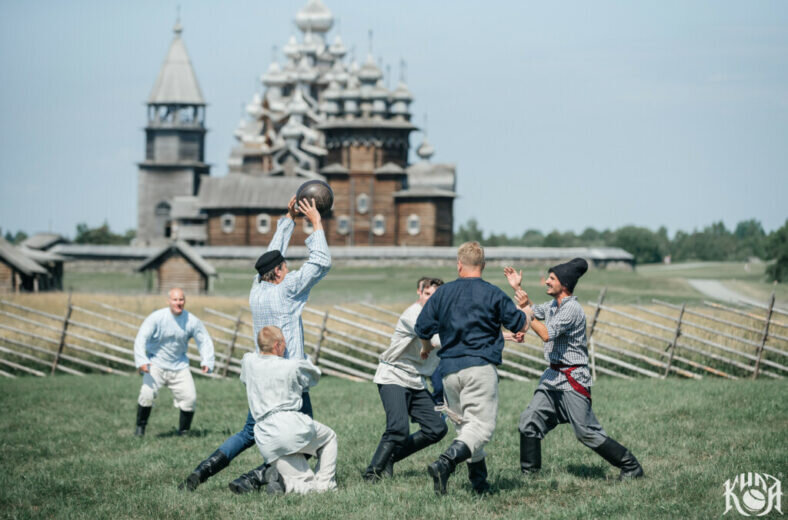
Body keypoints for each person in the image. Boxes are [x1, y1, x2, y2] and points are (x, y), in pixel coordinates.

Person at [179, 196, 331, 493]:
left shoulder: (256, 289)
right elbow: (321, 262)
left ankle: (202, 471)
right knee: (305, 434)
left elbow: (270, 254)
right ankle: (256, 478)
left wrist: (288, 219)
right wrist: (315, 224)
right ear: (277, 274)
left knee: (250, 431)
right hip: (289, 378)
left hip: (261, 375)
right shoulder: (286, 289)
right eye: (285, 268)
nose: (288, 271)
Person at [505, 258, 644, 480]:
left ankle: (631, 467)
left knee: (586, 432)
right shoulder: (552, 306)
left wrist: (525, 309)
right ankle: (530, 476)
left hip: (572, 378)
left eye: (552, 279)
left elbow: (546, 333)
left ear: (565, 284)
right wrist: (518, 289)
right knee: (529, 421)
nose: (547, 282)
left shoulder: (572, 310)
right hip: (552, 377)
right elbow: (531, 311)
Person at [415, 241, 531, 495]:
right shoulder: (492, 293)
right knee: (481, 428)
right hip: (479, 368)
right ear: (484, 266)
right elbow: (520, 326)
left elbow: (422, 328)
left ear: (459, 265)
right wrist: (528, 309)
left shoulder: (442, 294)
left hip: (448, 372)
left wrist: (426, 347)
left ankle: (480, 485)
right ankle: (444, 463)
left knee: (467, 430)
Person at [363, 277, 448, 482]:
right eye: (427, 294)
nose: (430, 299)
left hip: (416, 380)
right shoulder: (413, 314)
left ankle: (390, 458)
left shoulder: (443, 318)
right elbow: (435, 339)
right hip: (394, 374)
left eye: (435, 296)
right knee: (398, 429)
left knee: (437, 428)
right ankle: (371, 474)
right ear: (419, 293)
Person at [240, 325, 337, 495]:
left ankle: (285, 484)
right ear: (277, 345)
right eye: (284, 344)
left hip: (265, 436)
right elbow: (314, 376)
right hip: (290, 426)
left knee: (305, 480)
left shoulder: (248, 362)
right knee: (329, 438)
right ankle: (327, 486)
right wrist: (303, 358)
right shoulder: (291, 366)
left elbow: (245, 377)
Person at [133, 287, 215, 436]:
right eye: (175, 299)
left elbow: (204, 340)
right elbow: (141, 338)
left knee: (190, 399)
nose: (178, 303)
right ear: (168, 301)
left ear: (185, 301)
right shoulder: (156, 318)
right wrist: (141, 361)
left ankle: (183, 432)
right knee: (146, 394)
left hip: (179, 366)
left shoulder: (191, 320)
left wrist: (207, 361)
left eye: (181, 299)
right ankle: (140, 428)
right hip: (156, 364)